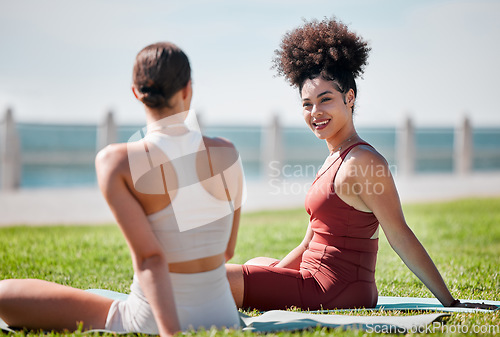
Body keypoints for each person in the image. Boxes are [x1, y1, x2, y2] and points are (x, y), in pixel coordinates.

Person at [226, 17, 497, 312]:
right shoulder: (335, 158)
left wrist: (450, 302)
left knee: (218, 279)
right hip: (316, 278)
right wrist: (276, 273)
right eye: (307, 104)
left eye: (325, 99)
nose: (315, 112)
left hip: (333, 290)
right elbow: (308, 244)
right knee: (256, 264)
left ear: (349, 98)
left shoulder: (362, 161)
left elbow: (399, 234)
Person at [0, 42, 244, 336]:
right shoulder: (227, 152)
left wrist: (171, 333)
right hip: (223, 314)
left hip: (155, 319)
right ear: (187, 89)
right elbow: (227, 251)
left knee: (4, 294)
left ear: (136, 93)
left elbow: (150, 259)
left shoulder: (115, 161)